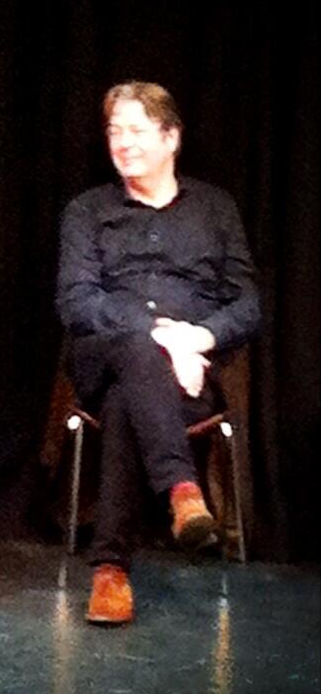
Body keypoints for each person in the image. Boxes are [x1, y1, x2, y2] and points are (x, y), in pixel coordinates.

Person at [57, 81, 260, 626]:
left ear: (171, 138)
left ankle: (110, 570)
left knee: (129, 399)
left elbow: (247, 304)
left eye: (137, 131)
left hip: (190, 377)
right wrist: (159, 335)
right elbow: (76, 301)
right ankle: (182, 490)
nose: (122, 143)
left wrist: (197, 338)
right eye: (114, 132)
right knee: (134, 351)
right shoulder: (87, 211)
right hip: (102, 360)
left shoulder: (215, 209)